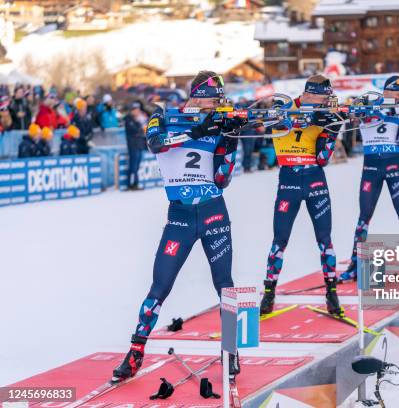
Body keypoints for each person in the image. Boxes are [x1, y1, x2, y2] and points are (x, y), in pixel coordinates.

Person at [112, 71, 244, 382]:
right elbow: (156, 143)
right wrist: (197, 131)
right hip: (180, 218)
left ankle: (231, 350)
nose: (218, 103)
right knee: (159, 287)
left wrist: (229, 141)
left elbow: (222, 179)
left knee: (224, 283)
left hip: (213, 212)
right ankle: (135, 352)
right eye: (214, 97)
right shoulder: (163, 116)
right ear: (197, 95)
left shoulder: (217, 122)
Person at [259, 74, 345, 317]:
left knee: (324, 239)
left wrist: (332, 128)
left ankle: (331, 293)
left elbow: (323, 158)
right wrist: (288, 118)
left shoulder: (326, 114)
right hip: (289, 180)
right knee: (280, 240)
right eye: (323, 97)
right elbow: (269, 124)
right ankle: (269, 294)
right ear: (309, 94)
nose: (327, 102)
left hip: (315, 179)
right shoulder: (285, 107)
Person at [340, 75, 399, 281]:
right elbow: (352, 111)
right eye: (398, 93)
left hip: (395, 165)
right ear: (386, 91)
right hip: (371, 167)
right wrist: (368, 110)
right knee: (364, 217)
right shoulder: (369, 102)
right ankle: (354, 265)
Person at [124, 101, 148, 190]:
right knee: (133, 166)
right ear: (132, 110)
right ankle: (130, 184)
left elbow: (143, 130)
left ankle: (135, 183)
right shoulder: (128, 119)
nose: (137, 111)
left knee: (137, 166)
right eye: (135, 110)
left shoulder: (139, 119)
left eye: (138, 109)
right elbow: (134, 130)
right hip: (133, 145)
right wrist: (141, 129)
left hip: (139, 145)